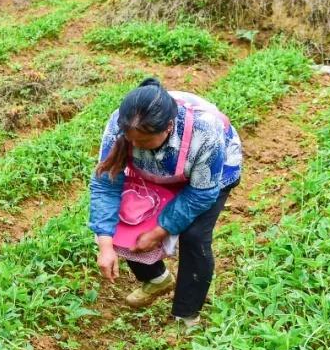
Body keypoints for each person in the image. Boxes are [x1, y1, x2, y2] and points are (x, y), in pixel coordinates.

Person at [88, 77, 242, 328]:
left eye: (144, 142)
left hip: (211, 177)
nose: (136, 146)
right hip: (155, 171)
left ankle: (186, 315)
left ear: (168, 127)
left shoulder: (205, 131)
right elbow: (106, 185)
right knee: (130, 217)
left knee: (193, 236)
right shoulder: (120, 124)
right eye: (132, 140)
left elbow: (201, 194)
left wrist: (161, 230)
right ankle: (157, 278)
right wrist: (105, 244)